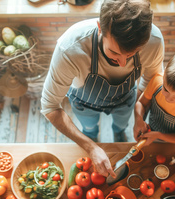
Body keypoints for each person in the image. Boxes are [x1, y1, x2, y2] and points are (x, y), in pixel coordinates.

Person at [41, 0, 164, 177]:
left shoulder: (154, 41)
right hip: (84, 103)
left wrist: (139, 114)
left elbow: (149, 83)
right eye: (114, 53)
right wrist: (90, 147)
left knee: (120, 128)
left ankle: (119, 133)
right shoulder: (70, 49)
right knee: (89, 129)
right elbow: (50, 107)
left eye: (131, 55)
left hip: (126, 99)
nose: (122, 63)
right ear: (100, 28)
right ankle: (91, 136)